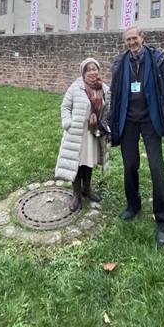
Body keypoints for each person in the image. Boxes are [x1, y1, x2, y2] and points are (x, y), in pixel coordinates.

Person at [108, 26, 164, 246]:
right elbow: (115, 93)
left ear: (142, 38)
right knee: (129, 165)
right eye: (127, 39)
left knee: (157, 168)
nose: (131, 42)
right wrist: (112, 119)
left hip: (151, 120)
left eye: (134, 38)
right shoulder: (121, 63)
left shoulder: (157, 59)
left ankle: (163, 220)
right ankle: (133, 205)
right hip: (128, 120)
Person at [55, 58, 110, 212]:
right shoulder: (75, 87)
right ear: (83, 73)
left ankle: (87, 189)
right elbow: (65, 106)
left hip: (94, 133)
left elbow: (107, 110)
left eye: (95, 69)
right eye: (88, 70)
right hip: (78, 132)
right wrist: (67, 123)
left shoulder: (104, 89)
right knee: (77, 162)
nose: (92, 72)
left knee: (89, 161)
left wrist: (104, 125)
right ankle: (76, 194)